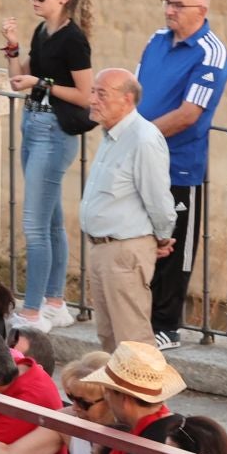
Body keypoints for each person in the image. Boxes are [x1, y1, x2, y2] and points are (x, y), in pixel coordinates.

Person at [135, 0, 227, 350]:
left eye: (178, 5)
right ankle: (138, 314)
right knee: (139, 238)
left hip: (179, 165)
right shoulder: (156, 40)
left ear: (201, 12)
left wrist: (138, 136)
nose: (169, 10)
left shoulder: (211, 53)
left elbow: (189, 114)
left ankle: (166, 326)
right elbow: (137, 89)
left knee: (174, 246)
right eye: (167, 2)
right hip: (142, 160)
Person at [3, 0, 95, 327]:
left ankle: (32, 311)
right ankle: (56, 303)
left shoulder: (74, 40)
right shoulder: (43, 31)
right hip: (33, 126)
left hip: (54, 134)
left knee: (35, 226)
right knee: (52, 221)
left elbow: (85, 95)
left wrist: (41, 83)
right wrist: (12, 47)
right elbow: (17, 80)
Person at [77, 69, 174, 351]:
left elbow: (159, 200)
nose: (92, 99)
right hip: (103, 250)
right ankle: (115, 397)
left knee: (133, 342)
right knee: (109, 339)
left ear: (127, 100)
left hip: (123, 253)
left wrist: (162, 238)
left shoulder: (143, 139)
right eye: (93, 92)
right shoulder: (112, 135)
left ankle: (146, 396)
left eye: (101, 94)